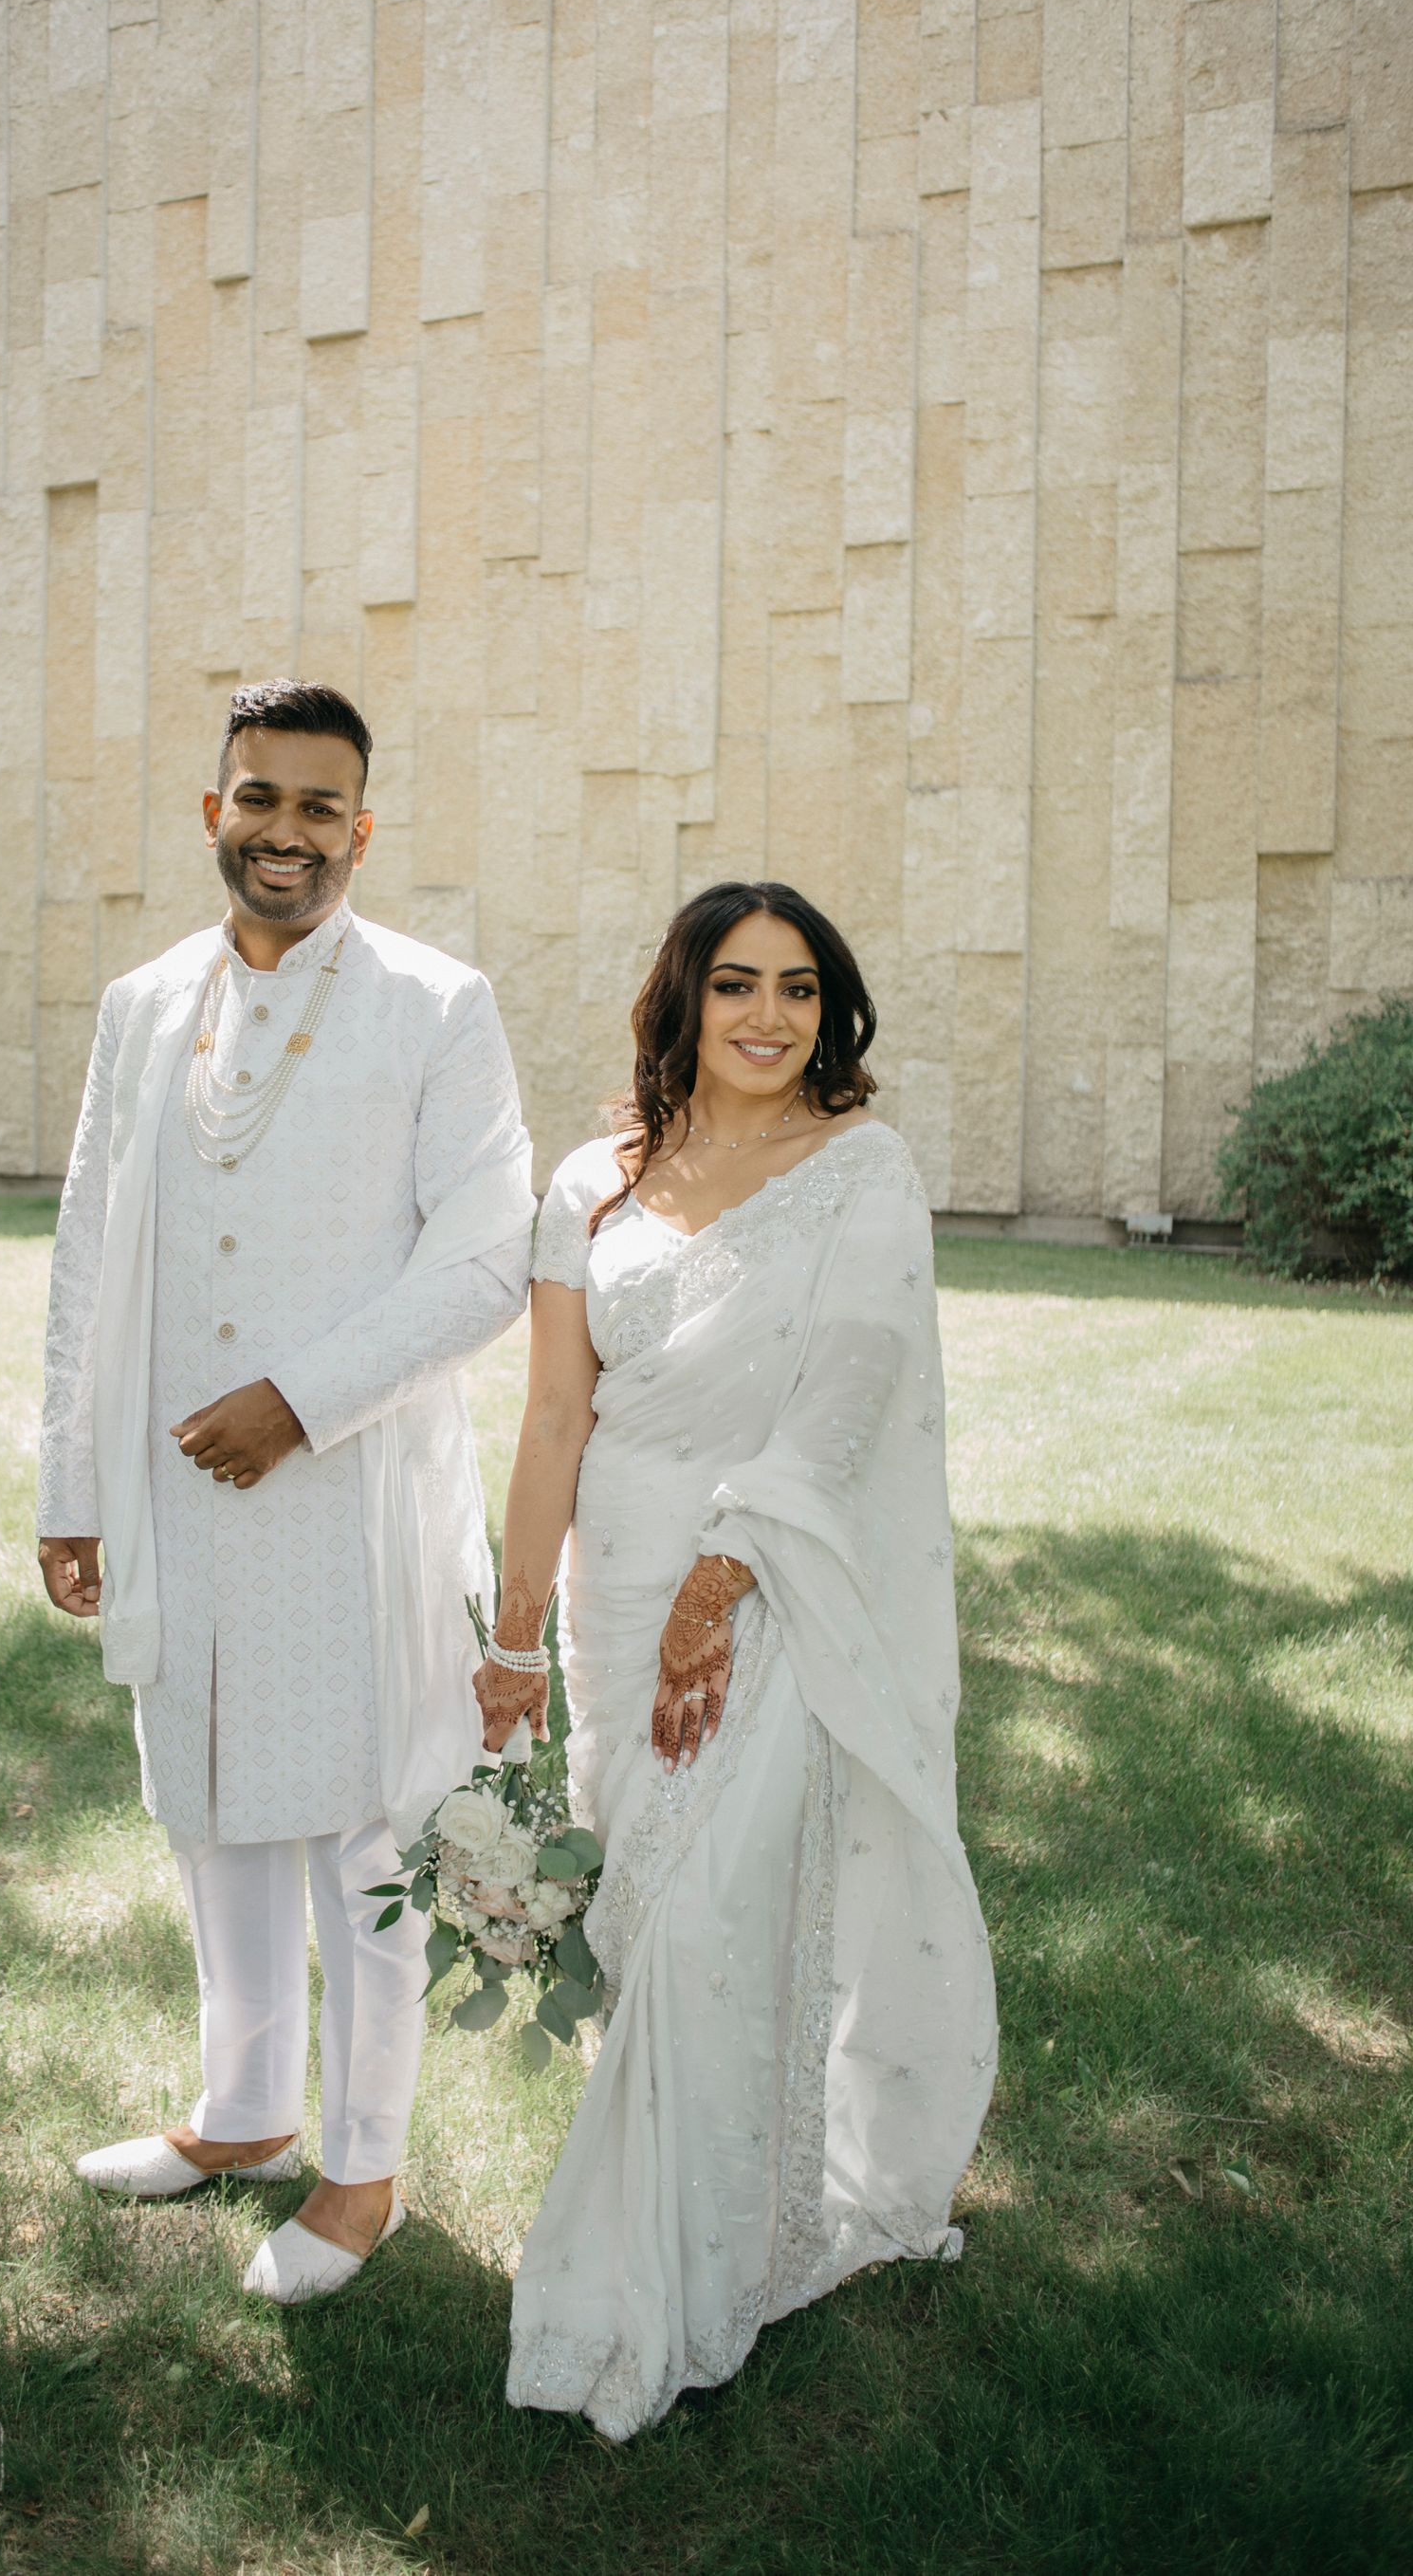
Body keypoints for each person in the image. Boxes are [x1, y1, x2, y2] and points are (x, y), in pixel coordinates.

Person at [472, 880, 997, 2438]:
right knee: (652, 1931)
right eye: (737, 985)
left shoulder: (862, 1173)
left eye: (799, 986)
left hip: (770, 1583)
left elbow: (850, 1384)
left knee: (706, 1919)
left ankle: (663, 2285)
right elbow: (556, 1418)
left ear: (830, 1008)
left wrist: (725, 1572)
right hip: (611, 1584)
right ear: (683, 1002)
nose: (771, 1015)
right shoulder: (590, 1184)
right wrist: (514, 1640)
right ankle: (736, 2215)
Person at [37, 679, 533, 2304]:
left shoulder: (436, 1004)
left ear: (361, 829)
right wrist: (74, 1479)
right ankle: (242, 2116)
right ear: (213, 810)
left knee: (355, 1826)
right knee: (211, 1802)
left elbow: (484, 1266)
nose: (287, 833)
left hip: (354, 1487)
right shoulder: (138, 1007)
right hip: (177, 1495)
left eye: (322, 808)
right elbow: (89, 1258)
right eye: (261, 798)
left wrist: (301, 1404)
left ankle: (363, 2169)